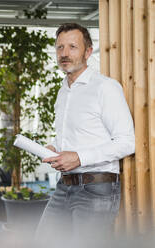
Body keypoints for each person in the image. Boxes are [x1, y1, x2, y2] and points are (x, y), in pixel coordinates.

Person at [36, 23, 135, 241]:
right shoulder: (63, 91)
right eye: (60, 47)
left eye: (72, 46)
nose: (64, 53)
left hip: (96, 189)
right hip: (64, 186)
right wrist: (55, 148)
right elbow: (75, 136)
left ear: (88, 52)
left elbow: (127, 142)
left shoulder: (105, 88)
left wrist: (79, 158)